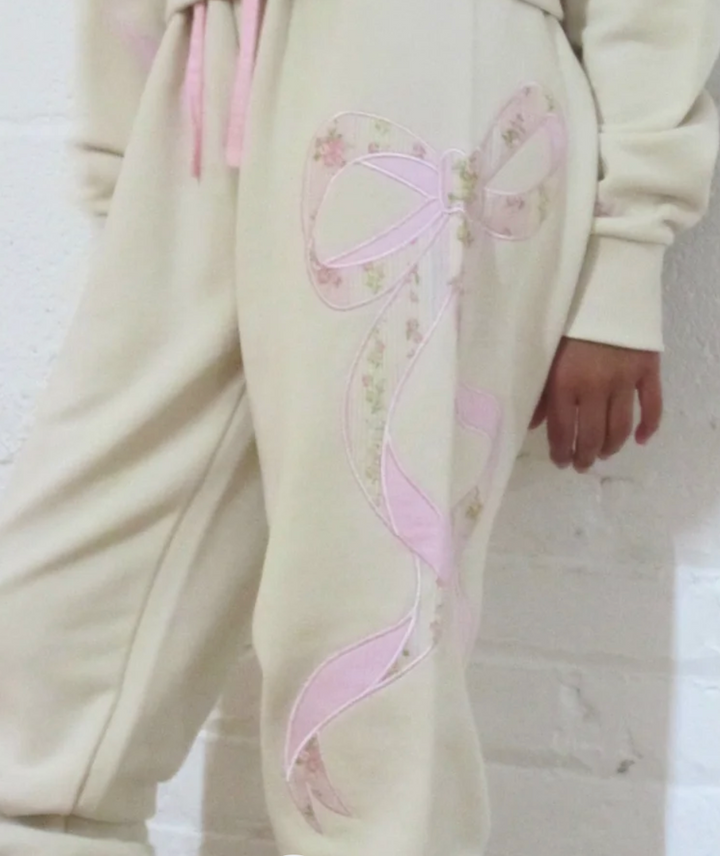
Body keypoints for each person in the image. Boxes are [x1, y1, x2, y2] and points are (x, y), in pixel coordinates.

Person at [0, 1, 718, 854]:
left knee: (368, 666)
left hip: (426, 66)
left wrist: (625, 250)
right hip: (204, 81)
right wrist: (127, 143)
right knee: (46, 672)